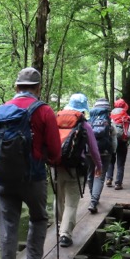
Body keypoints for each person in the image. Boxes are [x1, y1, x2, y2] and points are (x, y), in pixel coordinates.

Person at [0, 67, 61, 259]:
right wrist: (50, 159)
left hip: (4, 179)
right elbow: (55, 150)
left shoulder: (2, 110)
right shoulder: (44, 111)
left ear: (16, 87)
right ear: (38, 88)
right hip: (33, 177)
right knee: (38, 218)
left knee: (8, 225)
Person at [53, 93, 102, 248]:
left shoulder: (56, 119)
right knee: (71, 203)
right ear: (83, 109)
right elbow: (94, 149)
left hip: (56, 165)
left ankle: (59, 226)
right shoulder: (84, 125)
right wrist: (99, 166)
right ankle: (65, 235)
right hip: (75, 167)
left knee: (58, 198)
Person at [86, 97, 113, 213]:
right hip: (104, 151)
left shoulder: (88, 120)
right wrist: (112, 151)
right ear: (108, 109)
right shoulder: (110, 121)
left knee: (90, 175)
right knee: (100, 176)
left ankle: (93, 197)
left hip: (89, 151)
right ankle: (93, 201)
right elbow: (115, 140)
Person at [106, 98, 130, 190]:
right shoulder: (127, 117)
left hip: (112, 141)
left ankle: (109, 179)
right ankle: (118, 183)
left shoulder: (110, 116)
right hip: (122, 142)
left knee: (111, 161)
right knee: (120, 163)